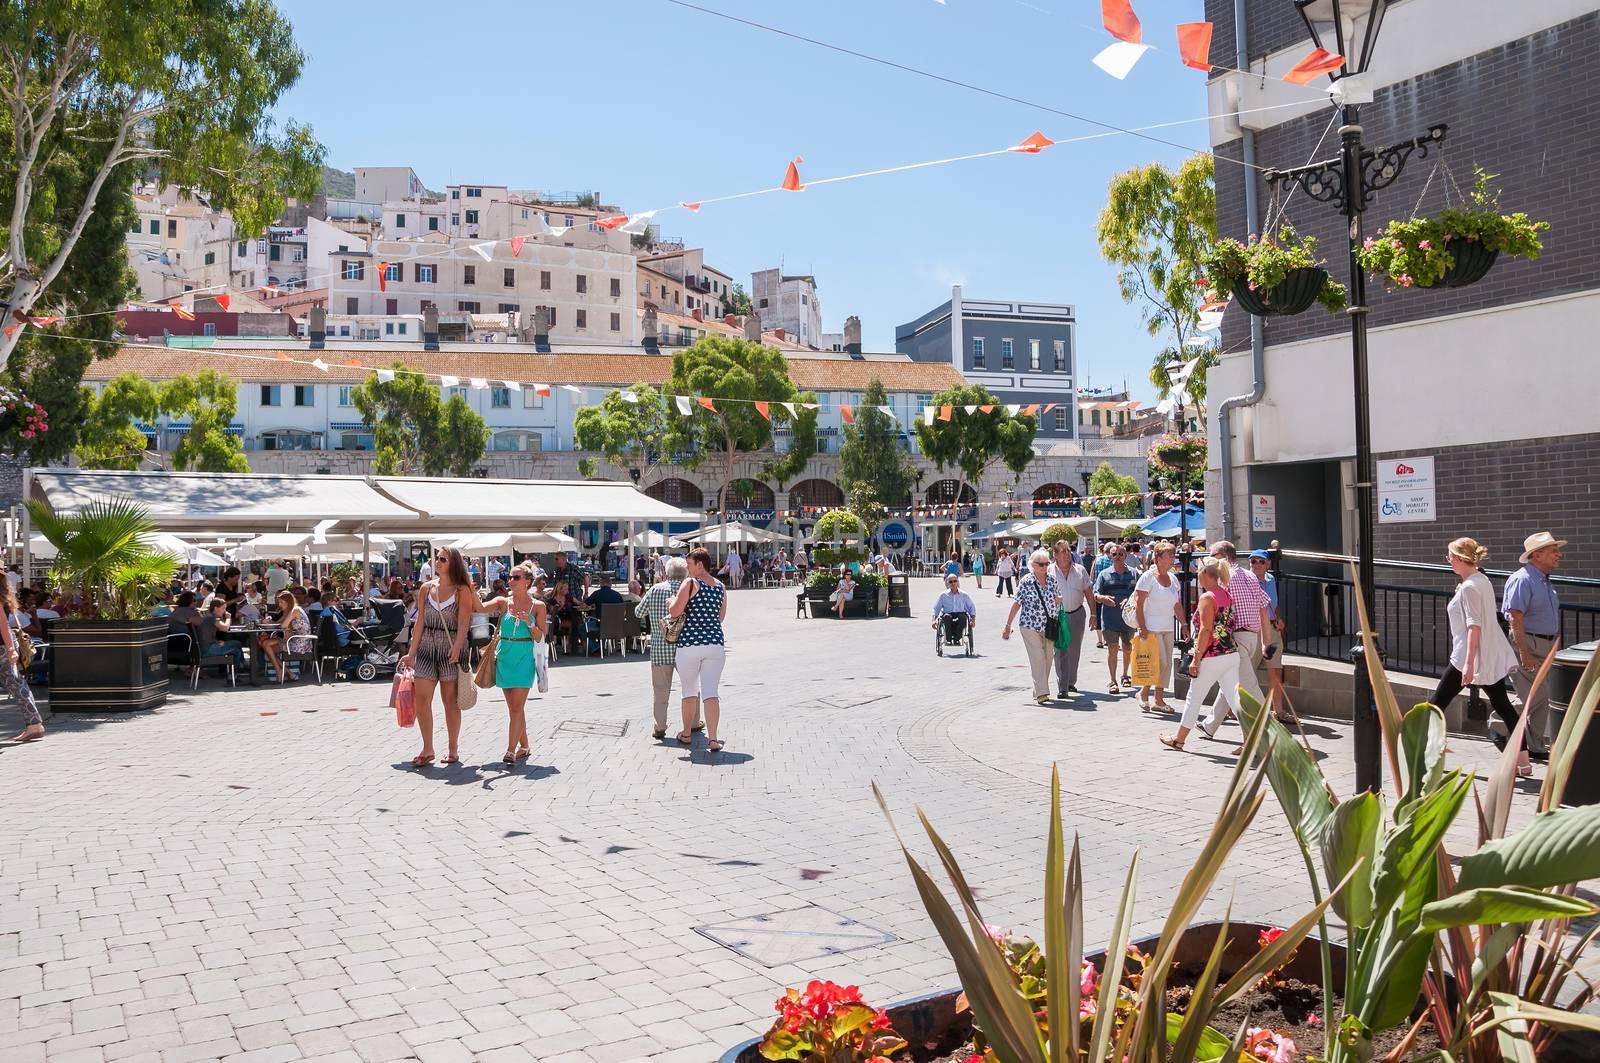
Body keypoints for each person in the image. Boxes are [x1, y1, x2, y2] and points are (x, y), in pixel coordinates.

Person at [1434, 537, 1530, 776]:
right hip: (1484, 656)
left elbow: (1473, 626)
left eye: (1449, 557)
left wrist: (1468, 665)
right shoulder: (1481, 580)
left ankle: (1422, 754)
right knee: (1503, 705)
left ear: (1457, 558)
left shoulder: (1469, 586)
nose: (1448, 562)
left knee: (1435, 705)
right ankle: (1524, 762)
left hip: (1468, 657)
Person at [400, 547, 475, 767]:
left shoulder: (462, 590)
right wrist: (411, 653)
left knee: (450, 702)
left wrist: (459, 646)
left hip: (450, 646)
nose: (438, 562)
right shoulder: (426, 588)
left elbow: (463, 622)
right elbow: (420, 621)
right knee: (422, 700)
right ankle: (428, 747)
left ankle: (453, 748)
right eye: (437, 559)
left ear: (453, 563)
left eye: (443, 559)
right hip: (426, 648)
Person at [1160, 558, 1242, 751]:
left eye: (1198, 571)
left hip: (1212, 656)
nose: (1197, 573)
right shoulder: (1227, 595)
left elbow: (1205, 630)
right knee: (1235, 700)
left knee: (1194, 698)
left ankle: (1179, 739)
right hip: (1230, 653)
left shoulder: (1207, 598)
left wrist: (1196, 659)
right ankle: (1250, 740)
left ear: (1205, 574)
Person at [1502, 531, 1565, 759]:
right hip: (1528, 642)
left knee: (1543, 696)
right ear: (1537, 555)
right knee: (1539, 695)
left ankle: (1535, 746)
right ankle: (1499, 726)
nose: (1559, 555)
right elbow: (1515, 616)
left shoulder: (1543, 579)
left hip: (1545, 645)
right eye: (1553, 551)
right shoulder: (1523, 579)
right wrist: (1524, 653)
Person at [480, 562, 547, 767]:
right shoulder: (503, 602)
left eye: (516, 578)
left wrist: (529, 621)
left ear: (527, 582)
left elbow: (540, 637)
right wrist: (468, 587)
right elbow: (478, 608)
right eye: (510, 577)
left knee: (517, 707)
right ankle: (524, 745)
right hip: (504, 657)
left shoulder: (538, 606)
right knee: (514, 708)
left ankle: (511, 750)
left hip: (523, 658)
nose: (511, 581)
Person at [667, 548, 728, 752]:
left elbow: (675, 612)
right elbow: (720, 617)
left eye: (690, 564)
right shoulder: (720, 586)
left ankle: (686, 734)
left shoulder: (690, 583)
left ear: (700, 564)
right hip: (715, 645)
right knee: (711, 692)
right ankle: (713, 739)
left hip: (690, 645)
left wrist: (670, 603)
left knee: (689, 691)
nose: (688, 569)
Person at [636, 556, 701, 740]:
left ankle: (660, 726)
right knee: (691, 687)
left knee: (660, 689)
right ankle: (694, 722)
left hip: (659, 648)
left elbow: (638, 612)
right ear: (686, 573)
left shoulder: (655, 589)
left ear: (666, 572)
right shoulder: (690, 590)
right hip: (685, 648)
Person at [1207, 541, 1272, 715]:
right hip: (1252, 637)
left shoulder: (1224, 578)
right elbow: (1264, 607)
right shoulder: (1251, 576)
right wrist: (1266, 642)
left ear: (1221, 556)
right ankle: (1210, 725)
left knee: (1248, 683)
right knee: (1231, 680)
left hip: (1236, 637)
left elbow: (1217, 609)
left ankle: (1266, 724)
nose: (1209, 560)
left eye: (1212, 556)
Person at [1002, 549, 1064, 705]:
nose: (1044, 567)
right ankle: (1043, 693)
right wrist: (1008, 625)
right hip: (1029, 626)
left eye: (1046, 564)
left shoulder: (1052, 580)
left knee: (1048, 659)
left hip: (1050, 626)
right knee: (1037, 659)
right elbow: (1017, 603)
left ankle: (1038, 690)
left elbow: (1057, 598)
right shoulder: (1026, 581)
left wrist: (1059, 600)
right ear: (1033, 565)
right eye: (1040, 564)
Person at [1133, 541, 1185, 711]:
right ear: (1159, 558)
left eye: (1173, 555)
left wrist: (1184, 624)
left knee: (1166, 664)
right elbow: (1138, 604)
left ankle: (1159, 699)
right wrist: (1142, 627)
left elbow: (1176, 604)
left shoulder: (1173, 578)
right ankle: (1144, 692)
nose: (1173, 558)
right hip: (1152, 626)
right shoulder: (1148, 577)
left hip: (1168, 627)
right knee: (1158, 662)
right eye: (1169, 555)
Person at [1247, 551, 1293, 723]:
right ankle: (1233, 707)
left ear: (1268, 564)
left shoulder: (1271, 579)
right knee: (1246, 671)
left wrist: (1279, 619)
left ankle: (1278, 711)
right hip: (1255, 629)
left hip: (1272, 629)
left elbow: (1274, 603)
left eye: (1261, 561)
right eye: (1253, 561)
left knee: (1275, 670)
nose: (1256, 564)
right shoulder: (1246, 580)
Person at [1092, 546, 1138, 694]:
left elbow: (1139, 593)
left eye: (1120, 554)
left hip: (1128, 618)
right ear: (1110, 556)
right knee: (1112, 648)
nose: (1117, 556)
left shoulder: (1134, 573)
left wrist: (1130, 600)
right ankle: (1113, 680)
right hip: (1110, 617)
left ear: (1125, 555)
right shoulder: (1104, 575)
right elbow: (1095, 594)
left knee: (1127, 648)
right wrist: (1103, 598)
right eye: (1114, 554)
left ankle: (1125, 674)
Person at [1050, 541, 1093, 699]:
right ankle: (1062, 685)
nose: (1067, 553)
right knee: (1060, 650)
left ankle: (1070, 681)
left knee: (1074, 649)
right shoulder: (1049, 571)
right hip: (1057, 615)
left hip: (1077, 614)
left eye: (1068, 550)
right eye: (1063, 551)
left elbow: (1089, 593)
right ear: (1055, 555)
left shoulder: (1080, 570)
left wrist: (1094, 615)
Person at [2, 580, 44, 742]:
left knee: (17, 684)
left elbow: (3, 624)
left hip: (2, 647)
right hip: (5, 646)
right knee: (17, 684)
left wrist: (11, 649)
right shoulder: (5, 596)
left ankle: (35, 725)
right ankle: (34, 724)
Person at [259, 590, 310, 682]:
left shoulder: (295, 610)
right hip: (294, 639)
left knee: (266, 645)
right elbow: (279, 623)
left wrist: (270, 622)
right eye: (279, 602)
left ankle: (281, 671)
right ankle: (287, 672)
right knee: (266, 645)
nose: (279, 605)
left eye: (281, 602)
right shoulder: (290, 610)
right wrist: (269, 621)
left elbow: (283, 626)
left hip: (300, 643)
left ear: (288, 602)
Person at [196, 598, 246, 673]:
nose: (224, 611)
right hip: (208, 650)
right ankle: (235, 674)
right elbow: (225, 628)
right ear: (216, 608)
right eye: (223, 608)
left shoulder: (208, 617)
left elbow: (207, 635)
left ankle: (240, 666)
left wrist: (216, 641)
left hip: (205, 647)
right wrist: (228, 618)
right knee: (236, 650)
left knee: (236, 643)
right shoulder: (213, 617)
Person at [932, 573, 977, 645]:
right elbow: (936, 608)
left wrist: (973, 619)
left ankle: (957, 638)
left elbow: (971, 607)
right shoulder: (943, 595)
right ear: (947, 583)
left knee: (963, 617)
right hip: (948, 614)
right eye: (950, 582)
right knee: (947, 617)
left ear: (957, 582)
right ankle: (948, 639)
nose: (953, 583)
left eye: (955, 581)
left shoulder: (964, 594)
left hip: (960, 613)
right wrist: (933, 620)